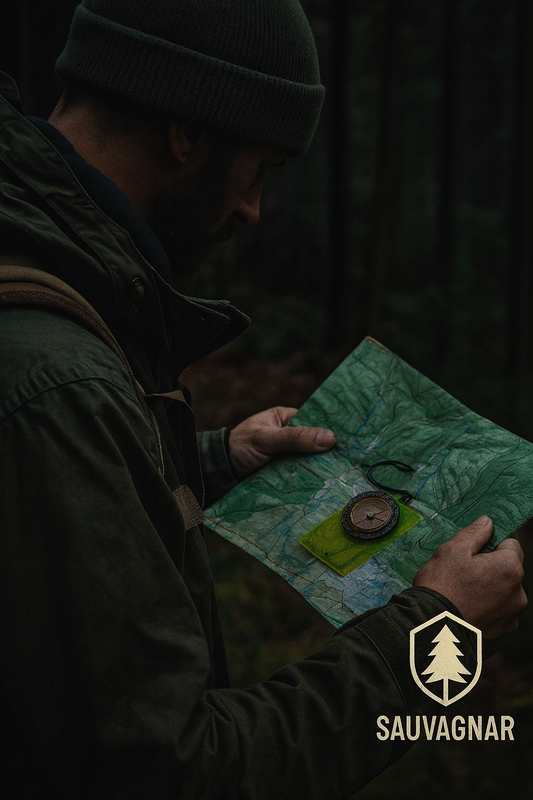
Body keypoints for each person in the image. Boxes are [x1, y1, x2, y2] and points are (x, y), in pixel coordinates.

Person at [0, 1, 526, 798]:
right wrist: (432, 629)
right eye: (261, 171)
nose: (250, 210)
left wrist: (209, 460)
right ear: (187, 134)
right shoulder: (58, 383)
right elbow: (171, 774)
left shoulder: (40, 279)